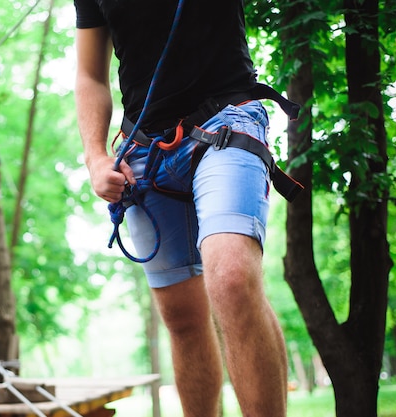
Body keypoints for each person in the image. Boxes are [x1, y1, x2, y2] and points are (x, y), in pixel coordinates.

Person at [74, 1, 294, 416]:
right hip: (145, 149)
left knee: (230, 278)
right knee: (181, 317)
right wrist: (95, 157)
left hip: (227, 120)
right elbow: (89, 75)